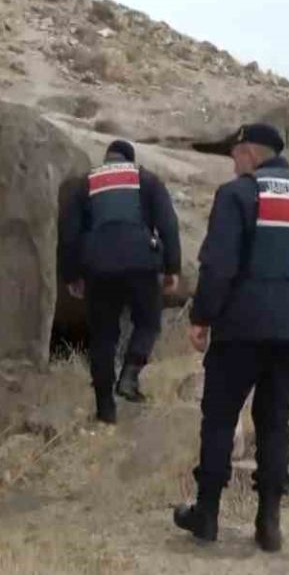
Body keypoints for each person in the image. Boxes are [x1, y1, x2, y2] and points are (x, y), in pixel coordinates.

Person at [175, 122, 289, 552]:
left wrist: (201, 317)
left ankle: (207, 515)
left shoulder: (237, 194)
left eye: (234, 154)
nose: (232, 163)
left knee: (220, 416)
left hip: (240, 328)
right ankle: (269, 523)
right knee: (275, 420)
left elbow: (218, 266)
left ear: (250, 153)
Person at [60, 139, 183, 425]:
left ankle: (105, 410)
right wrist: (172, 268)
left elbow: (69, 233)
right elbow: (168, 224)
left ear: (107, 158)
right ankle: (130, 375)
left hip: (99, 267)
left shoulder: (85, 184)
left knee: (103, 336)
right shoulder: (146, 180)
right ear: (130, 158)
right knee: (148, 322)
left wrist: (71, 274)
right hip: (142, 263)